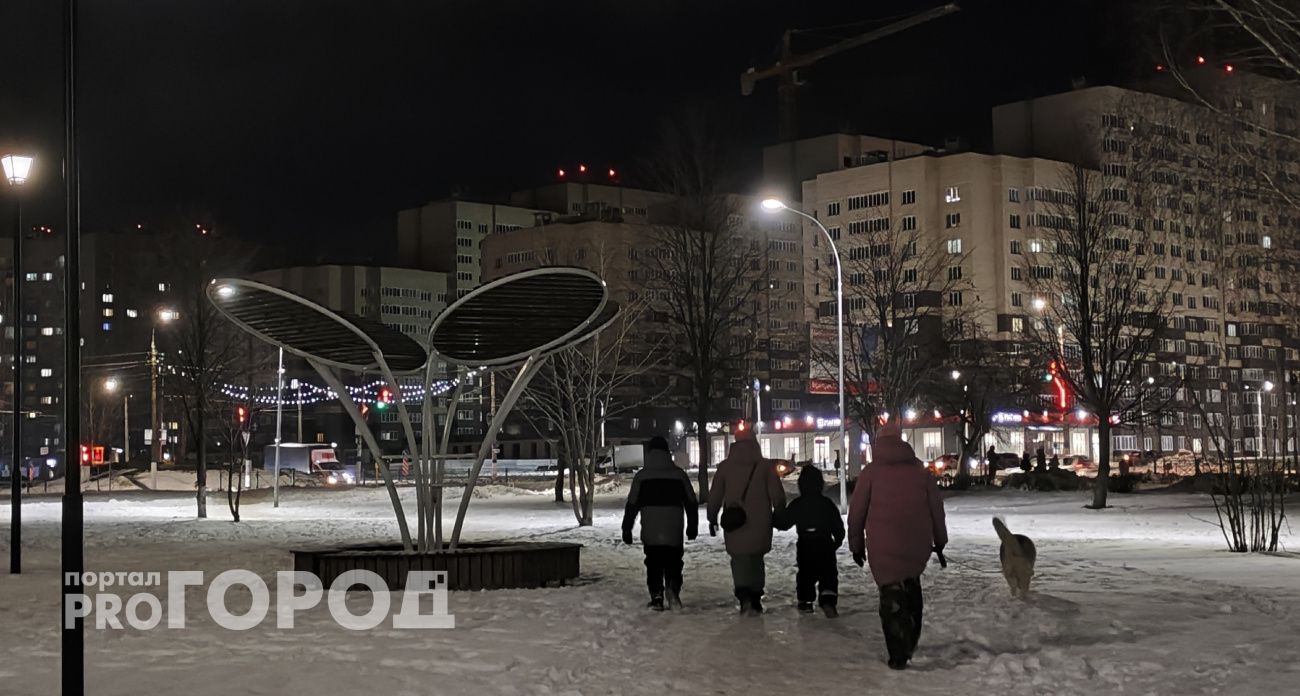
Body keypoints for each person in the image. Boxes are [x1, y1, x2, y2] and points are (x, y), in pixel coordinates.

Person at [848, 423, 948, 670]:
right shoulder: (920, 471)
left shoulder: (871, 473)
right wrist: (940, 540)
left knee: (891, 596)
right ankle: (910, 639)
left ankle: (897, 652)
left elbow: (856, 514)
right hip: (916, 544)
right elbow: (937, 509)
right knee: (912, 588)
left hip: (882, 548)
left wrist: (856, 545)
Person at [707, 435, 786, 616]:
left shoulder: (725, 467)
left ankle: (744, 597)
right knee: (757, 559)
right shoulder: (766, 467)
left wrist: (712, 517)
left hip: (735, 523)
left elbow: (715, 496)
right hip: (761, 523)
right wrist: (779, 512)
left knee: (739, 559)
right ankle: (756, 597)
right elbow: (778, 495)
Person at [622, 436, 699, 611]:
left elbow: (632, 505)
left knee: (653, 563)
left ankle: (656, 596)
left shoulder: (642, 476)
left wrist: (627, 529)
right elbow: (691, 502)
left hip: (651, 528)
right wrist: (692, 526)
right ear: (667, 453)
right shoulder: (679, 475)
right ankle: (673, 590)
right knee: (674, 561)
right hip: (673, 527)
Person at [773, 465, 844, 617]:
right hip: (825, 544)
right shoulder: (827, 504)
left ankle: (805, 602)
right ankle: (828, 600)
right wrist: (836, 542)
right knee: (828, 574)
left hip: (806, 544)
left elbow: (784, 523)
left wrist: (773, 518)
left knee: (805, 574)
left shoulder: (799, 504)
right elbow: (838, 527)